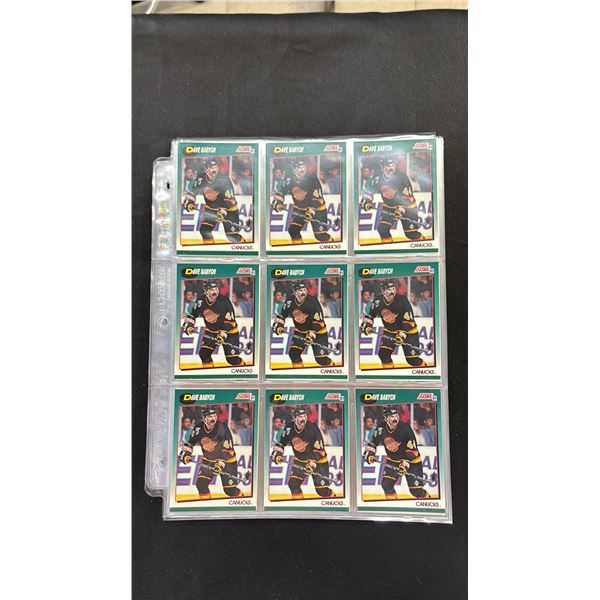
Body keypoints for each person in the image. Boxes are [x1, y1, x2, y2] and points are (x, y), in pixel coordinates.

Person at [362, 406, 431, 500]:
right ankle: (393, 504)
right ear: (386, 418)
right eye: (392, 416)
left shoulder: (405, 428)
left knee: (416, 491)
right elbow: (374, 442)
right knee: (386, 485)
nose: (395, 418)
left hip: (412, 461)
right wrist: (370, 453)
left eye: (396, 415)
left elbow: (413, 449)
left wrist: (405, 464)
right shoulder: (381, 428)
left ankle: (430, 502)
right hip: (393, 460)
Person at [360, 279, 426, 369]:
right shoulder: (378, 301)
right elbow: (370, 315)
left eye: (393, 288)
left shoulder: (402, 300)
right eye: (389, 289)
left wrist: (402, 334)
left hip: (408, 332)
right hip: (390, 331)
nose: (392, 291)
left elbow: (409, 320)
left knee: (412, 360)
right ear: (383, 291)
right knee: (383, 354)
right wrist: (367, 325)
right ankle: (389, 373)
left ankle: (426, 370)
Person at [179, 406, 242, 500]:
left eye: (214, 415)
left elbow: (229, 449)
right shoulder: (198, 428)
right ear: (204, 418)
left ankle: (243, 500)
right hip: (209, 460)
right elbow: (191, 442)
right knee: (201, 485)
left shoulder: (222, 427)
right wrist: (187, 454)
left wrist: (220, 464)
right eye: (210, 416)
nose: (213, 418)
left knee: (230, 491)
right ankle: (206, 504)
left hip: (227, 461)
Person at [270, 406, 333, 500]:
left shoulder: (312, 428)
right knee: (293, 484)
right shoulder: (289, 429)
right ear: (294, 418)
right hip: (300, 460)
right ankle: (298, 504)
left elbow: (319, 450)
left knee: (322, 491)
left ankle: (335, 501)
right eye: (300, 416)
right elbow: (281, 443)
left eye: (304, 416)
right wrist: (278, 453)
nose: (303, 418)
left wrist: (312, 463)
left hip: (319, 461)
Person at [182, 279, 245, 369]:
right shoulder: (200, 301)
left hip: (229, 332)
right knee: (204, 354)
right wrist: (189, 325)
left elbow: (230, 321)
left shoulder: (224, 300)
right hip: (211, 331)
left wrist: (223, 334)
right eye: (212, 290)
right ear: (206, 291)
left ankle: (246, 369)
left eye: (216, 289)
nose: (215, 292)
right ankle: (209, 373)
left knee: (232, 360)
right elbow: (193, 314)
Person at [272, 280, 334, 369]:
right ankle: (298, 372)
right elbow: (282, 315)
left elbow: (319, 322)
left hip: (318, 332)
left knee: (321, 360)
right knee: (293, 354)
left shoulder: (312, 301)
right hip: (300, 331)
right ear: (294, 292)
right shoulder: (289, 301)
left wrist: (311, 335)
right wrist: (279, 325)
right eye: (300, 290)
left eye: (304, 289)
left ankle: (335, 369)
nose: (303, 292)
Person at [360, 158, 423, 244]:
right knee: (382, 230)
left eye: (393, 165)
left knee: (411, 234)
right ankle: (388, 248)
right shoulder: (378, 178)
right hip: (389, 207)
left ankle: (425, 244)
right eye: (388, 166)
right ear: (382, 167)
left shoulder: (401, 177)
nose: (391, 168)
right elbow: (370, 191)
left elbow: (409, 197)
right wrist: (367, 201)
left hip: (408, 208)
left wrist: (401, 210)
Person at [182, 159, 244, 244]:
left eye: (216, 167)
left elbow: (230, 200)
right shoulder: (201, 178)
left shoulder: (224, 179)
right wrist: (189, 202)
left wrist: (223, 212)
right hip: (211, 208)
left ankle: (245, 246)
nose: (214, 170)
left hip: (229, 210)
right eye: (211, 167)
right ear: (206, 169)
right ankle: (209, 248)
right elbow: (193, 192)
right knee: (204, 231)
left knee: (232, 237)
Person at [271, 159, 332, 244]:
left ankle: (334, 245)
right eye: (299, 167)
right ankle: (297, 249)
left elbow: (318, 198)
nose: (302, 169)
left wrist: (311, 211)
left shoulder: (312, 178)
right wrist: (278, 202)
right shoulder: (289, 178)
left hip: (317, 209)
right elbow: (282, 191)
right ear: (294, 169)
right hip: (300, 208)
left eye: (304, 167)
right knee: (293, 231)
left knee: (320, 236)